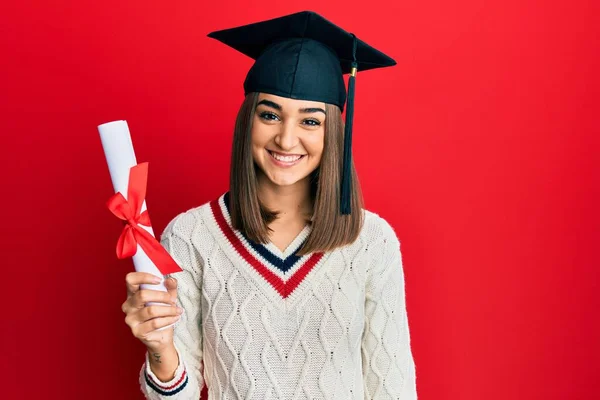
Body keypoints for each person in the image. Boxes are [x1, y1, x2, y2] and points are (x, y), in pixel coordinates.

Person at [121, 11, 417, 399]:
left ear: (333, 131)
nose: (287, 138)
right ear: (249, 120)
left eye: (310, 121)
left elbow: (392, 388)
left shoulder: (371, 241)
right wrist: (160, 350)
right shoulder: (191, 236)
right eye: (270, 114)